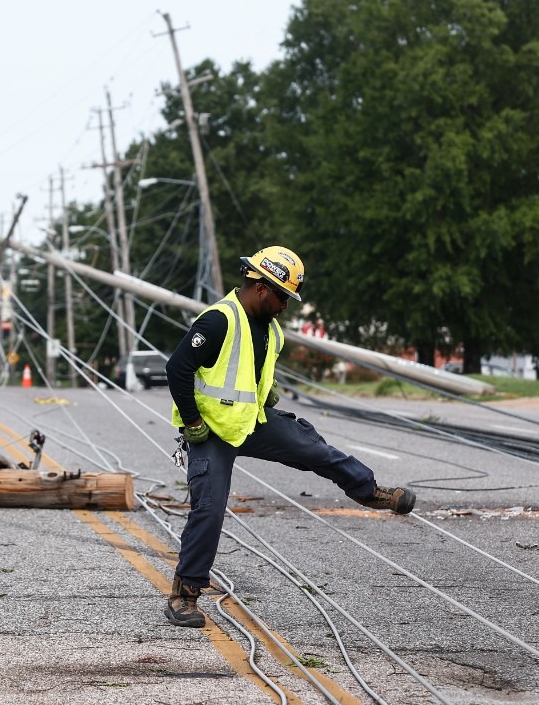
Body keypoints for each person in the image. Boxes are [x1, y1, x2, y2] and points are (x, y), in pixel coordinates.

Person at [163, 245, 416, 628]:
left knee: (312, 448)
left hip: (251, 422)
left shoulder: (271, 330)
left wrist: (268, 392)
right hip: (211, 433)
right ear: (262, 288)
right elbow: (177, 368)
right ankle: (185, 595)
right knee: (209, 508)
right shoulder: (218, 321)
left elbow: (248, 371)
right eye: (282, 296)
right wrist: (193, 421)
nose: (286, 305)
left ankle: (369, 491)